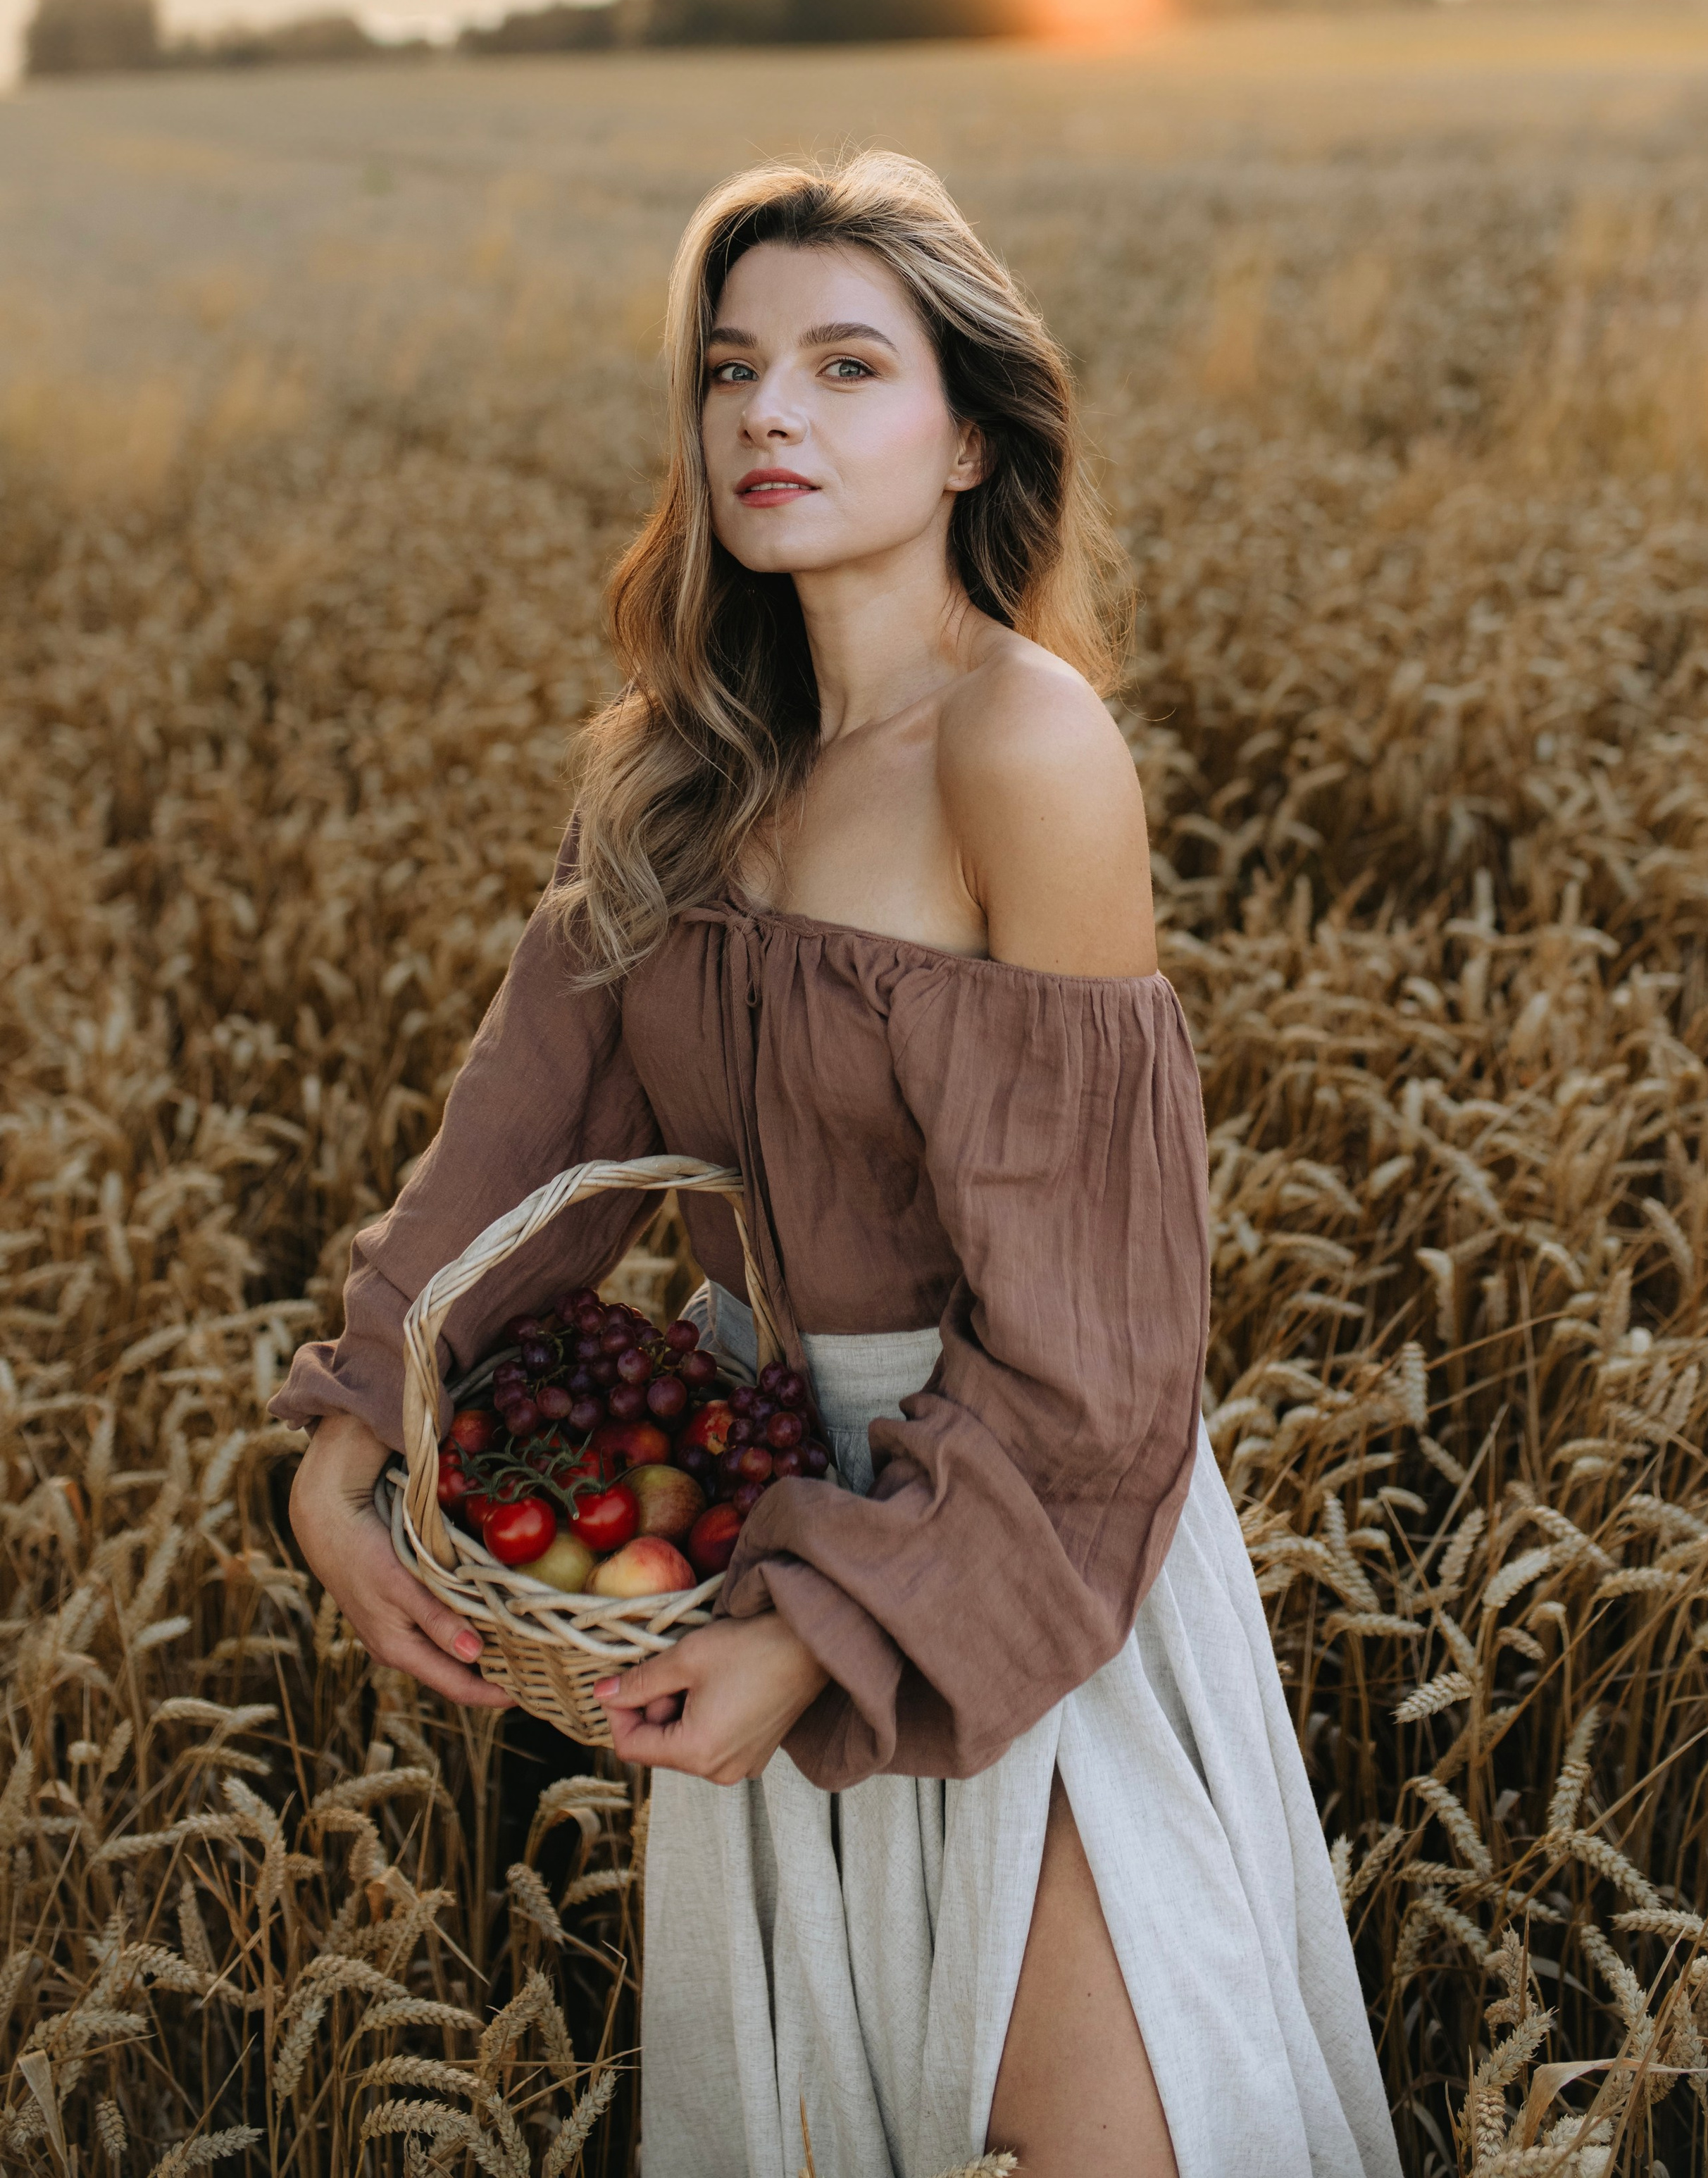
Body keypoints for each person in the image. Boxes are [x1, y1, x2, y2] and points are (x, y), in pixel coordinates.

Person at [275, 151, 1400, 2178]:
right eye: (731, 369)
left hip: (1018, 1537)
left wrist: (833, 1624)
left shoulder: (1022, 748)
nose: (767, 415)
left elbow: (1105, 1339)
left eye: (845, 366)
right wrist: (343, 1448)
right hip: (744, 1496)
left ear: (971, 433)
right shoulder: (674, 768)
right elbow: (517, 1140)